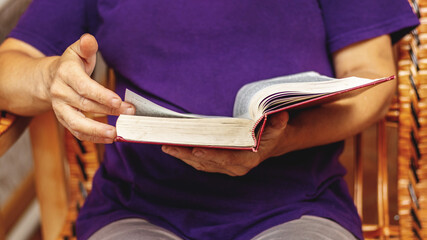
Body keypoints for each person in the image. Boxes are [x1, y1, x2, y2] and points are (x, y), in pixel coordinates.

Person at [0, 1, 419, 239]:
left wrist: (284, 139)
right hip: (137, 210)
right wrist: (51, 77)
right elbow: (9, 67)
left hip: (298, 208)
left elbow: (373, 76)